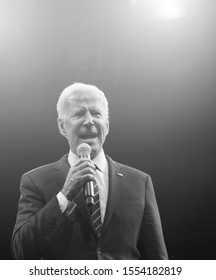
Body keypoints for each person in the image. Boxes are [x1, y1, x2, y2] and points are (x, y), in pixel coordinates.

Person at [11, 83, 168, 259]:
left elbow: (157, 259)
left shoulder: (139, 182)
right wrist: (64, 195)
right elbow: (21, 251)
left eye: (96, 113)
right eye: (79, 113)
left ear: (107, 125)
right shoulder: (35, 181)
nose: (89, 121)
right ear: (62, 126)